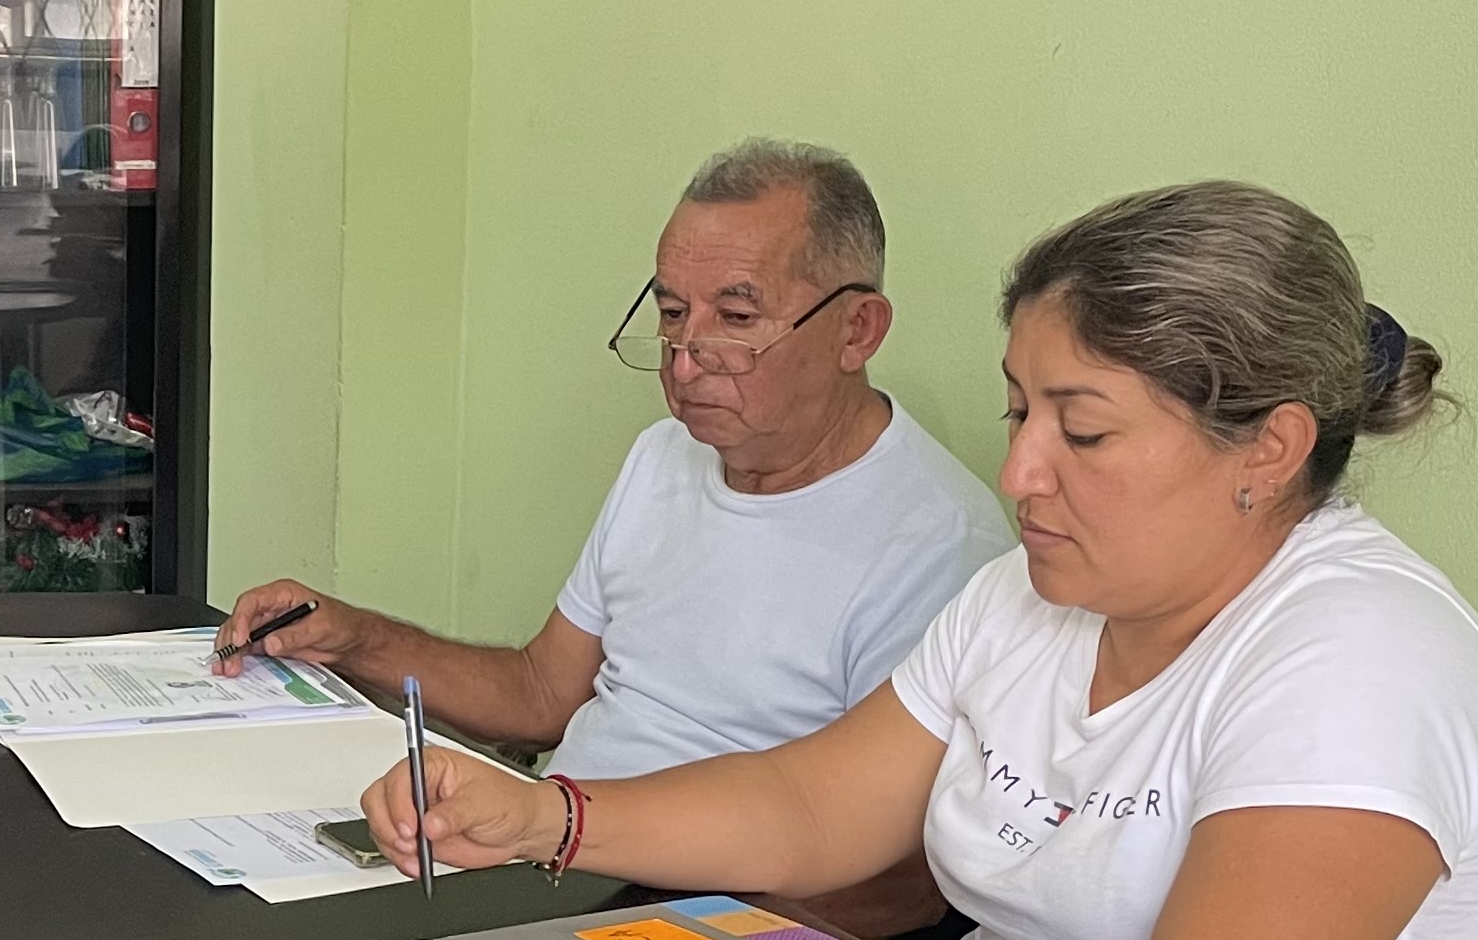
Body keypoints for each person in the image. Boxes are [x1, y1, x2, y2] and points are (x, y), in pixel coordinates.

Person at [367, 181, 1478, 940]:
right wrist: (549, 817)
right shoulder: (1027, 598)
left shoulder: (1366, 658)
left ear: (1270, 450)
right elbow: (814, 805)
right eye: (1019, 413)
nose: (1021, 472)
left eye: (1084, 430)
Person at [217, 140, 1011, 782]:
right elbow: (542, 695)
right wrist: (352, 639)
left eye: (736, 319)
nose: (686, 359)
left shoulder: (939, 546)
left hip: (697, 904)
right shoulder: (666, 456)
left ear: (857, 331)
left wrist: (581, 843)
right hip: (561, 850)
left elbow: (885, 872)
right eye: (672, 312)